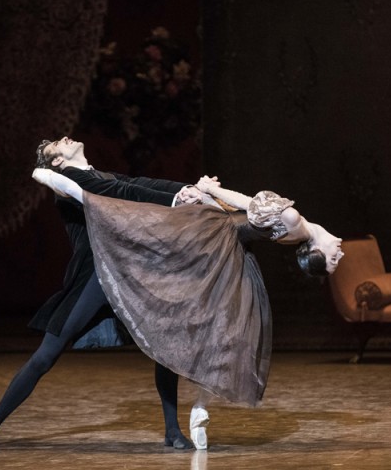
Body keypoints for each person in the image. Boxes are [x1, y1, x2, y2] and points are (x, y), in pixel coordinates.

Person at [31, 167, 344, 450]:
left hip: (217, 236)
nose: (339, 255)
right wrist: (211, 197)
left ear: (314, 250)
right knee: (218, 328)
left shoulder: (293, 222)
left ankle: (82, 195)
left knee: (148, 229)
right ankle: (199, 406)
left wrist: (210, 189)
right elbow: (248, 212)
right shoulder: (298, 227)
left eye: (331, 260)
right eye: (335, 261)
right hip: (225, 239)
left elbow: (248, 204)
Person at [0, 137, 205, 451]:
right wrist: (175, 200)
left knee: (164, 348)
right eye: (56, 146)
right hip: (97, 276)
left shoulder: (100, 175)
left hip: (129, 274)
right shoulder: (66, 181)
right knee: (45, 356)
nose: (65, 138)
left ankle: (172, 431)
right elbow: (121, 193)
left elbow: (138, 183)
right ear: (57, 162)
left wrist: (186, 189)